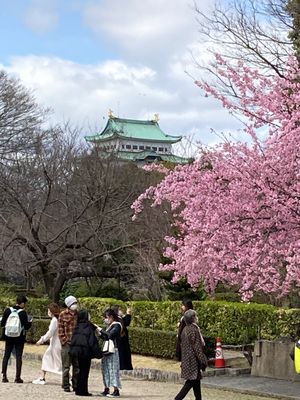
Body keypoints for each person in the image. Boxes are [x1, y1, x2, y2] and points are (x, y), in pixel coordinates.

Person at [174, 309, 207, 400]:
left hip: (187, 360)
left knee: (196, 383)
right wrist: (203, 361)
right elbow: (197, 348)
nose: (197, 318)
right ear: (193, 318)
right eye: (195, 316)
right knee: (190, 383)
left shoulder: (185, 329)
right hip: (192, 362)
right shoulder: (193, 330)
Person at [70, 309, 102, 397]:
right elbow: (92, 341)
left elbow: (73, 339)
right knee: (85, 372)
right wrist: (99, 353)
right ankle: (83, 390)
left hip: (77, 352)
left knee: (79, 370)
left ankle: (78, 388)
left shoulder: (77, 326)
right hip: (86, 352)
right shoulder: (88, 326)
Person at [1, 295, 32, 383]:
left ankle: (4, 376)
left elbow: (2, 323)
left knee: (6, 355)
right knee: (18, 356)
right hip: (19, 337)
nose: (25, 305)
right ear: (22, 303)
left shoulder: (8, 310)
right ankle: (17, 377)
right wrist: (30, 323)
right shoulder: (23, 313)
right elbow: (26, 327)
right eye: (25, 303)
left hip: (8, 336)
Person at [32, 303, 62, 384]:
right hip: (55, 344)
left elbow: (50, 333)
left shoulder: (54, 320)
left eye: (48, 310)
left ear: (51, 311)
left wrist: (42, 340)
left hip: (56, 345)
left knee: (58, 364)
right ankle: (42, 378)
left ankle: (69, 379)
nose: (48, 312)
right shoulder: (57, 319)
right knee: (46, 359)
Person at [98, 308, 123, 397]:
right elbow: (105, 337)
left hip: (113, 351)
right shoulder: (111, 325)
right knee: (105, 369)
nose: (105, 319)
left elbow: (110, 335)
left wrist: (100, 329)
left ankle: (116, 390)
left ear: (111, 317)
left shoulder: (117, 325)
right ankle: (106, 388)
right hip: (107, 350)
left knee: (113, 369)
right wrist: (100, 333)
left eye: (106, 317)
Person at [58, 295, 80, 393]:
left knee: (77, 366)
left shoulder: (78, 314)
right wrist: (64, 341)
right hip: (66, 344)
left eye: (75, 303)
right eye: (73, 303)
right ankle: (66, 385)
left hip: (76, 344)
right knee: (66, 367)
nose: (75, 305)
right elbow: (60, 330)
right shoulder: (62, 314)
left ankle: (75, 384)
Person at [111, 305, 133, 371]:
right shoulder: (117, 319)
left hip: (123, 340)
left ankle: (124, 367)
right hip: (119, 340)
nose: (121, 311)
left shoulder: (120, 318)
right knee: (121, 355)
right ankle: (121, 367)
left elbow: (126, 322)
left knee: (124, 354)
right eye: (119, 310)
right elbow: (125, 323)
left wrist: (128, 314)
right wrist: (127, 314)